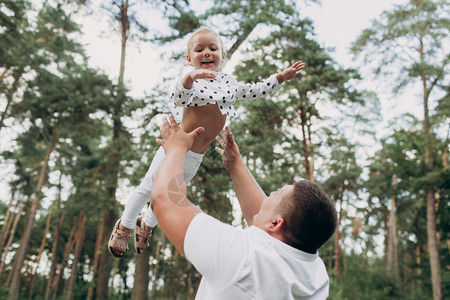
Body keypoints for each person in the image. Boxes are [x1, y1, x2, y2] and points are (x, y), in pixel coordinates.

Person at [108, 26, 306, 257]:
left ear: (223, 56)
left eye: (213, 48)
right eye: (199, 49)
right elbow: (178, 99)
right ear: (189, 58)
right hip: (176, 148)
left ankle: (148, 224)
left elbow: (254, 91)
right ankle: (125, 225)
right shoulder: (189, 82)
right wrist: (189, 78)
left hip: (196, 155)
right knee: (149, 186)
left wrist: (280, 78)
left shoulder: (229, 83)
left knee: (172, 190)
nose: (207, 53)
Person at [151, 114, 338, 299]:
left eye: (274, 194)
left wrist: (176, 148)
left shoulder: (243, 260)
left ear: (276, 223)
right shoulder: (316, 278)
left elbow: (165, 201)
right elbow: (266, 225)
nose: (268, 196)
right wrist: (236, 165)